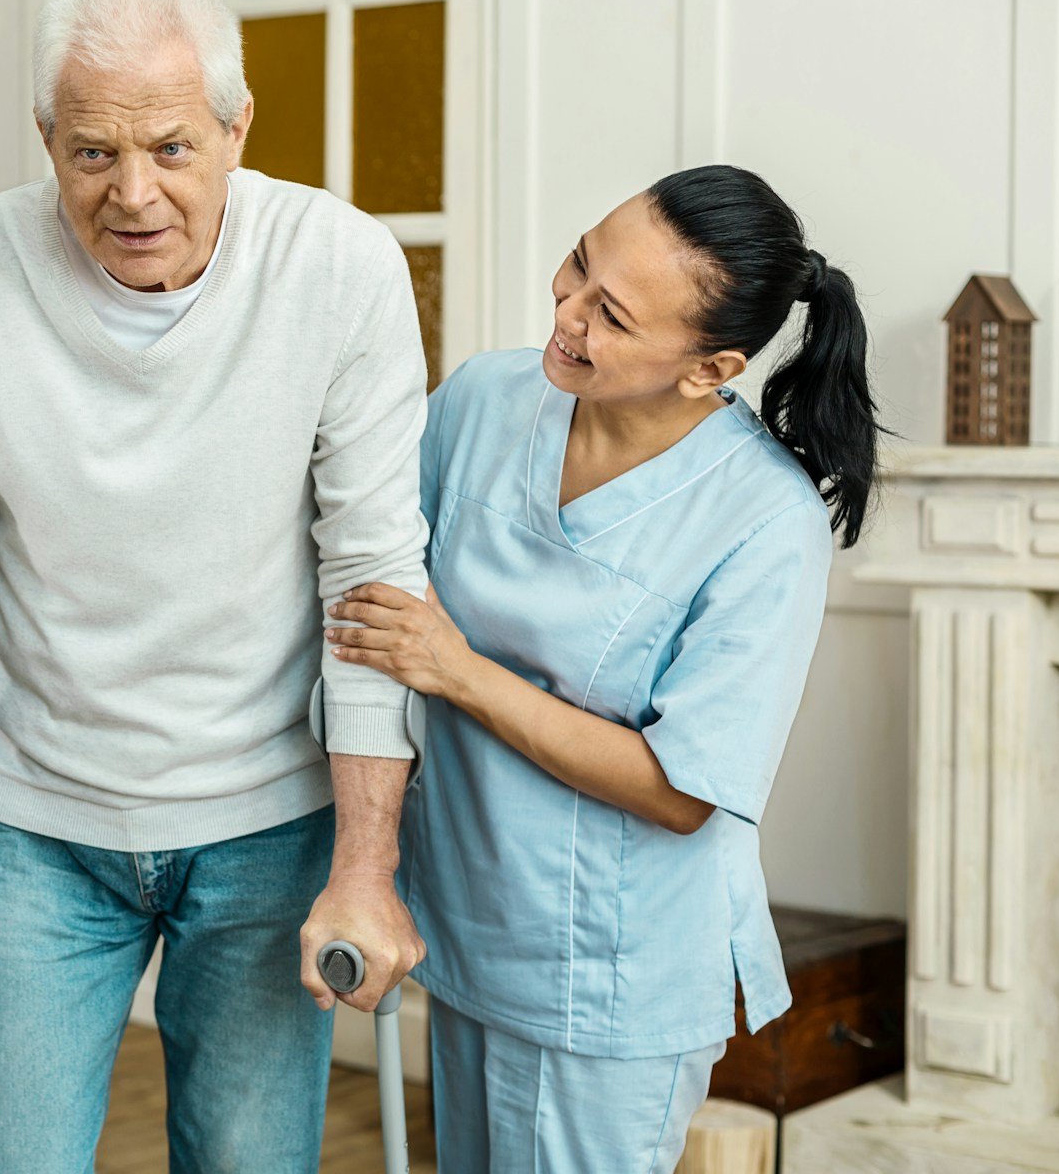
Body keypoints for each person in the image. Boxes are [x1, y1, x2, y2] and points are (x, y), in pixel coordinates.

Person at [0, 0, 431, 1173]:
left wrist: (365, 866)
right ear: (46, 137)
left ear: (238, 129)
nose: (133, 194)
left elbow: (372, 583)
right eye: (91, 153)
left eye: (172, 148)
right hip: (43, 812)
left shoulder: (339, 269)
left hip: (264, 813)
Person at [326, 164, 881, 1172]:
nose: (568, 310)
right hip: (464, 915)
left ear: (709, 369)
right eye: (579, 261)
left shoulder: (765, 521)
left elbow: (683, 791)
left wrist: (460, 668)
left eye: (612, 315)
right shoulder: (489, 401)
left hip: (612, 976)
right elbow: (373, 580)